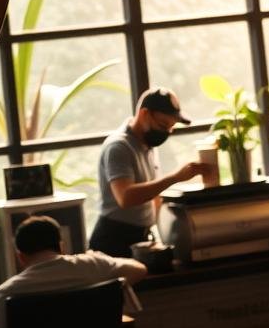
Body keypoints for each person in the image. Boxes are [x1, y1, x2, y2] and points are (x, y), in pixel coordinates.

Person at [0, 215, 147, 328]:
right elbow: (139, 269)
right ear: (61, 246)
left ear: (20, 257)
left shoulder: (7, 292)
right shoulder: (93, 265)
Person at [90, 87, 216, 257]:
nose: (166, 132)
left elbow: (154, 196)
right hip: (113, 238)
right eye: (163, 125)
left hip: (141, 236)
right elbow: (125, 197)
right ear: (144, 114)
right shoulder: (118, 147)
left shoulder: (148, 145)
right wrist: (175, 178)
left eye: (171, 128)